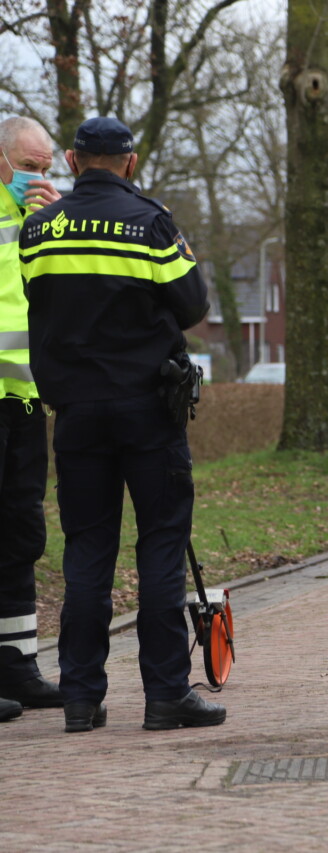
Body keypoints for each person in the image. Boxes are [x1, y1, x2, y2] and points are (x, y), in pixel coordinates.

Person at [19, 116, 224, 733]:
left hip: (76, 414)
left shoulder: (39, 229)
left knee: (86, 550)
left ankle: (81, 697)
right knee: (160, 545)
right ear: (130, 164)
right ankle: (165, 695)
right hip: (146, 411)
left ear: (74, 163)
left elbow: (39, 297)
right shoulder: (150, 222)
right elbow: (192, 305)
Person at [0, 116, 63, 720]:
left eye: (47, 168)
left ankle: (17, 665)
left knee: (20, 533)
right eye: (29, 167)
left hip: (21, 400)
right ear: (2, 161)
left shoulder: (36, 222)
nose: (39, 178)